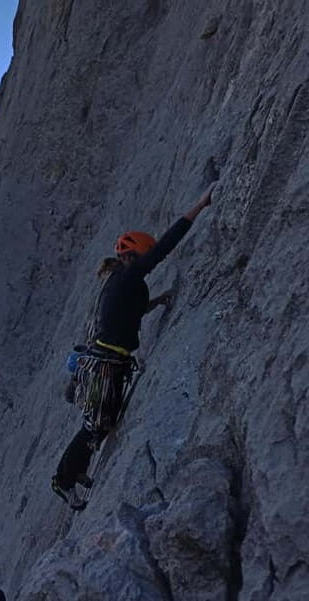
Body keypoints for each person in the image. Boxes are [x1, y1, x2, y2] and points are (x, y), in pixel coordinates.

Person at [52, 182, 218, 510]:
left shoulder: (121, 282)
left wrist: (156, 301)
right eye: (142, 256)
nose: (146, 261)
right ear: (131, 256)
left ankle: (79, 469)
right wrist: (201, 204)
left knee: (103, 422)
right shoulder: (129, 276)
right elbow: (166, 246)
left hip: (108, 361)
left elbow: (126, 314)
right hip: (106, 364)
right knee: (94, 426)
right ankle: (63, 480)